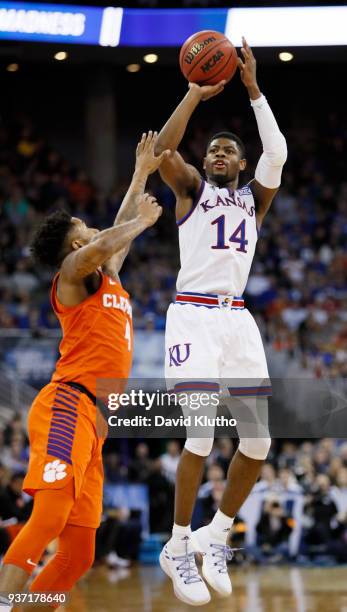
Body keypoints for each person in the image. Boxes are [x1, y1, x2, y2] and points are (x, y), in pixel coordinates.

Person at [0, 132, 169, 611]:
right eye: (84, 224)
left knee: (78, 554)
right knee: (49, 518)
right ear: (75, 241)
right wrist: (139, 221)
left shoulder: (106, 274)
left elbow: (112, 240)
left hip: (95, 425)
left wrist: (140, 174)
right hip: (65, 407)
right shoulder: (72, 273)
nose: (94, 227)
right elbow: (101, 247)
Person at [155, 38, 287, 605]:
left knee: (258, 442)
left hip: (237, 323)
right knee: (201, 434)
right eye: (213, 149)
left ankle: (217, 531)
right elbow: (162, 149)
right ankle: (178, 544)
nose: (218, 155)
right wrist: (192, 95)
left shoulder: (256, 200)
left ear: (241, 162)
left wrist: (254, 88)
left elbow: (276, 151)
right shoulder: (191, 192)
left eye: (228, 151)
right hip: (193, 318)